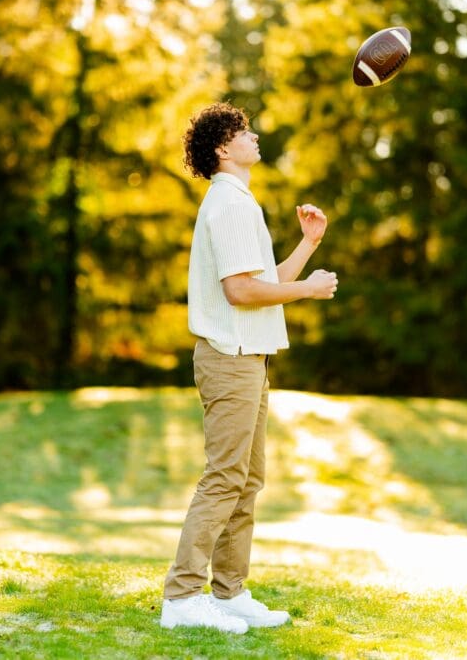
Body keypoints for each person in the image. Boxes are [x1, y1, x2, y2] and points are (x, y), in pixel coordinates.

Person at [160, 103, 339, 633]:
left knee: (247, 477)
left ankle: (230, 591)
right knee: (224, 477)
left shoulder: (239, 200)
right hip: (229, 359)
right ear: (223, 148)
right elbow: (240, 292)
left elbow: (262, 281)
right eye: (244, 131)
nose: (255, 136)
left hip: (248, 360)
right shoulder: (230, 204)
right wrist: (307, 290)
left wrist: (308, 246)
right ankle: (182, 596)